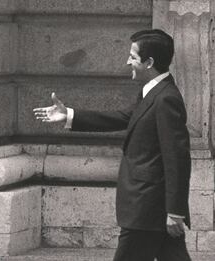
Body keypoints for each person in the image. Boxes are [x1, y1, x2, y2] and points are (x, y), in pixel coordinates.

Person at [33, 29, 191, 261]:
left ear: (149, 62)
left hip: (147, 209)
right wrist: (69, 115)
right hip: (148, 208)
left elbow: (177, 158)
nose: (128, 62)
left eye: (133, 57)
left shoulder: (165, 98)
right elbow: (120, 117)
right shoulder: (153, 92)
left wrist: (175, 211)